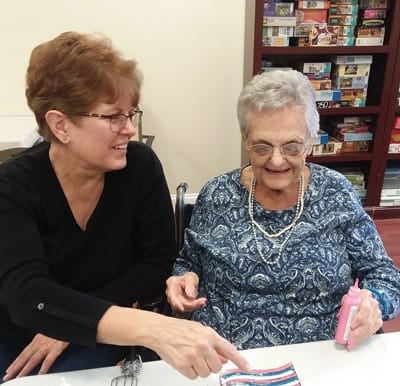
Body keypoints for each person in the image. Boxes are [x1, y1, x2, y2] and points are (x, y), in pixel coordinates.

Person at [0, 31, 250, 382]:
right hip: (24, 341)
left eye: (131, 113)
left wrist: (72, 320)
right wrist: (145, 327)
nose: (130, 129)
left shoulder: (141, 167)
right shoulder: (12, 186)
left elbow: (156, 262)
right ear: (61, 125)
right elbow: (26, 295)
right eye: (113, 117)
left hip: (109, 336)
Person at [166, 69, 400, 352]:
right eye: (262, 147)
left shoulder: (336, 193)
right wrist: (183, 279)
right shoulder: (217, 194)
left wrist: (374, 302)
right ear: (245, 138)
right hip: (223, 358)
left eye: (291, 147)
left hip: (324, 357)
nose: (276, 161)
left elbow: (385, 276)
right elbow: (188, 262)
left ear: (311, 140)